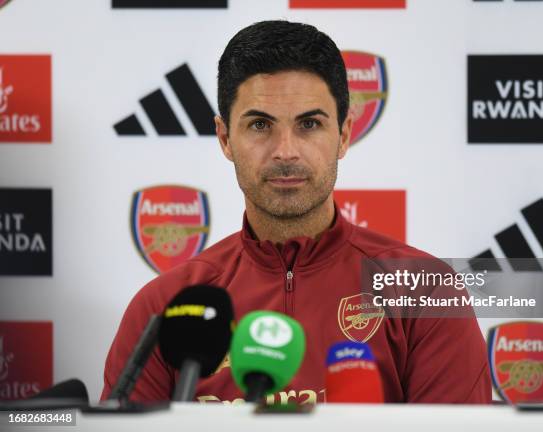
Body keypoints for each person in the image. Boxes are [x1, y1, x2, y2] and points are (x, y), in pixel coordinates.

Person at [101, 20, 491, 404]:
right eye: (259, 125)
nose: (285, 151)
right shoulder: (166, 306)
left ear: (343, 135)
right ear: (224, 138)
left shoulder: (427, 293)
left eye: (309, 123)